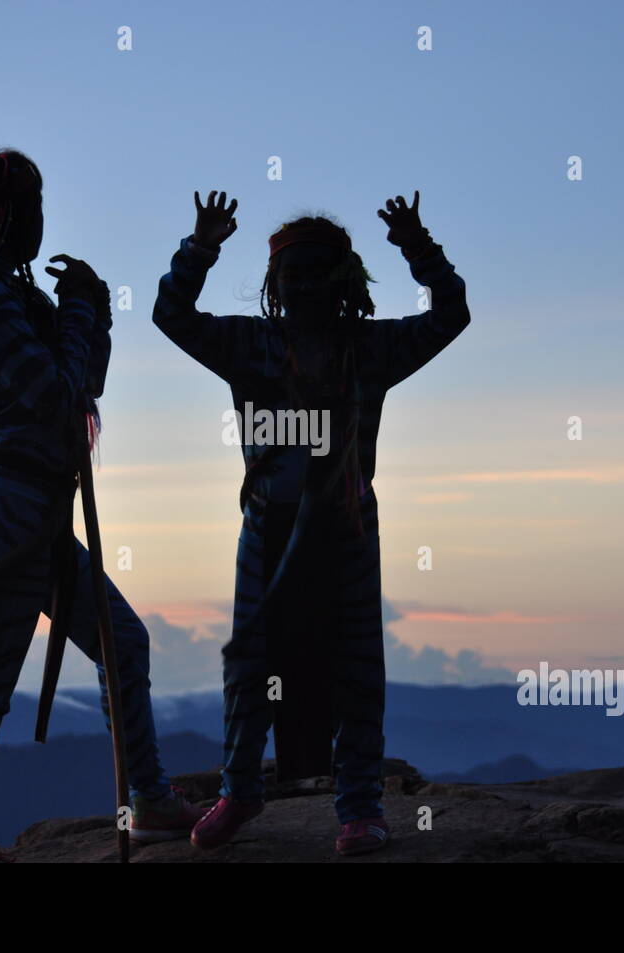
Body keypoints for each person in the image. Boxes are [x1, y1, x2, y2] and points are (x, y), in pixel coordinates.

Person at [152, 189, 471, 855]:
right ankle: (240, 790)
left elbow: (450, 314)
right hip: (267, 525)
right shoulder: (247, 343)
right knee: (249, 663)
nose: (299, 284)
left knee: (355, 663)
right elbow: (171, 314)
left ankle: (358, 804)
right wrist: (201, 244)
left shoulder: (370, 348)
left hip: (348, 528)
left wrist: (417, 245)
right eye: (288, 273)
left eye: (312, 271)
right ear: (274, 281)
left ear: (340, 280)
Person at [0, 150, 201, 862]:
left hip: (26, 509)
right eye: (37, 208)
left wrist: (91, 311)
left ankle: (147, 800)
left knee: (124, 644)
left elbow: (88, 379)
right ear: (14, 216)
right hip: (9, 510)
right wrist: (82, 308)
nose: (44, 223)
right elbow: (57, 393)